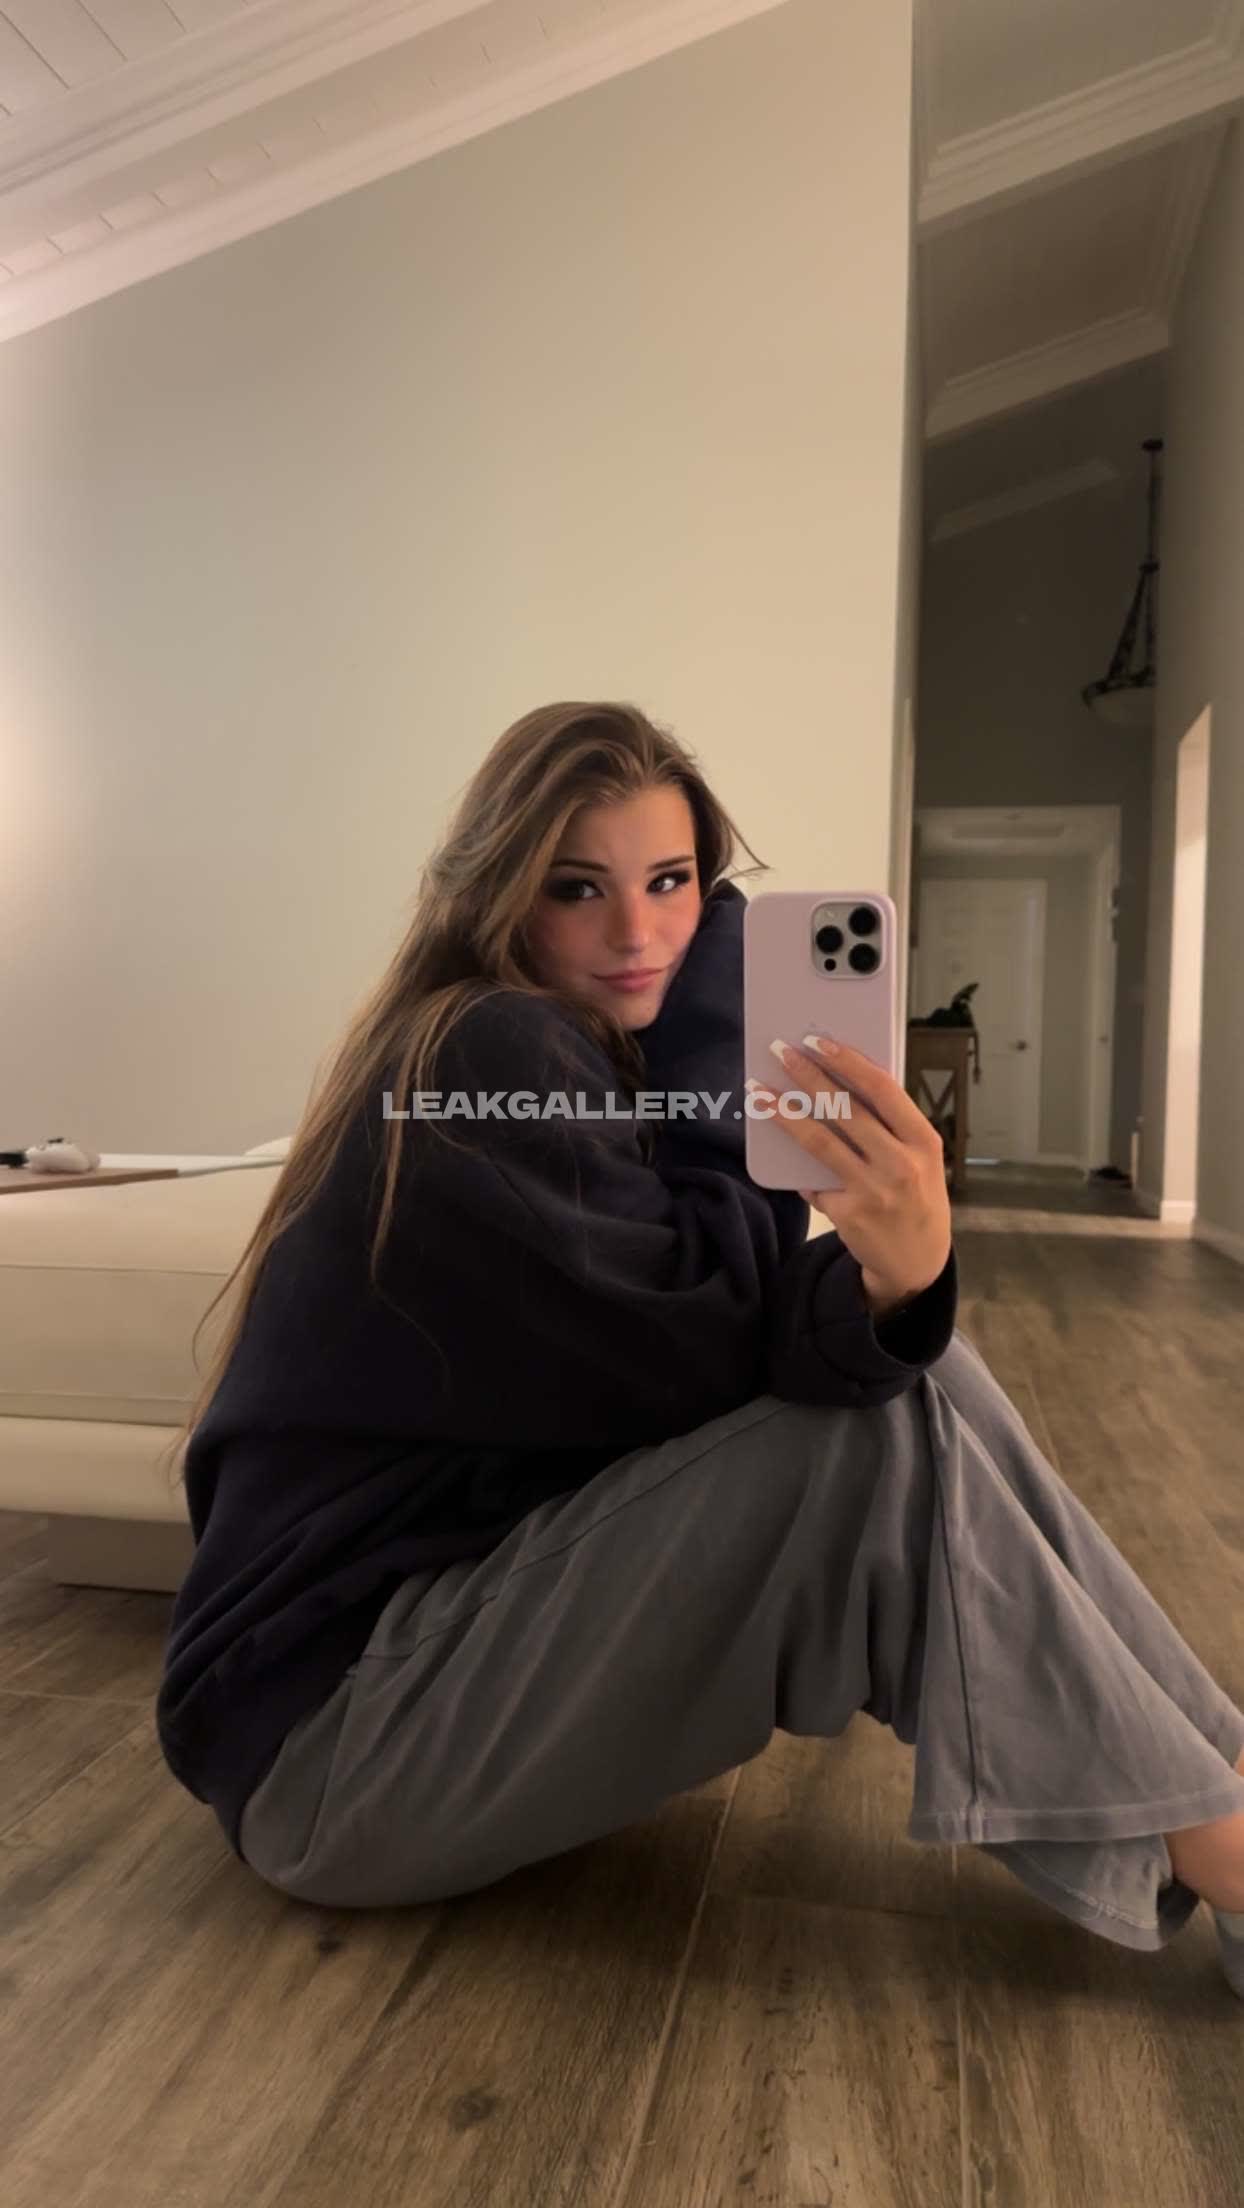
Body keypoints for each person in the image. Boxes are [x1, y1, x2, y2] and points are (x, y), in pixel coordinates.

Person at [155, 700, 1244, 1991]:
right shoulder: (487, 1050)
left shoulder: (566, 1053)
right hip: (338, 1748)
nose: (637, 934)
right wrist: (724, 996)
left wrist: (901, 1279)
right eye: (578, 888)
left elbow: (710, 1342)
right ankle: (1227, 1844)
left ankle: (1224, 1787)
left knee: (922, 1367)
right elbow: (708, 1349)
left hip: (426, 1663)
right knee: (863, 1454)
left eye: (673, 885)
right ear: (499, 895)